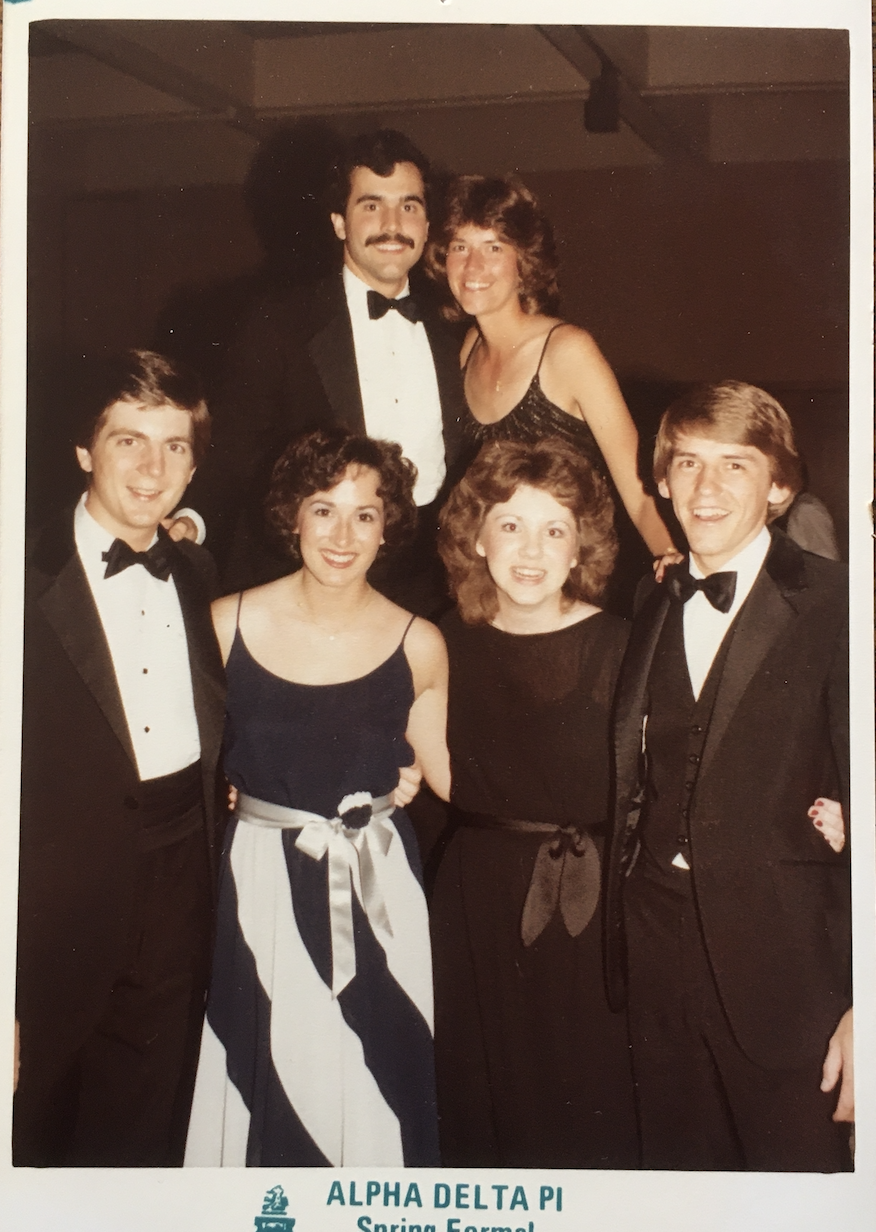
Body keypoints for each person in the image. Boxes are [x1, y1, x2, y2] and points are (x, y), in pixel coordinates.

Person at [183, 428, 450, 1167]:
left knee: (378, 1085)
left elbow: (453, 776)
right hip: (259, 885)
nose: (342, 535)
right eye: (323, 510)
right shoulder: (227, 622)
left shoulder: (420, 641)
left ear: (387, 527)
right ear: (292, 516)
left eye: (365, 515)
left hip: (378, 887)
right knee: (264, 1077)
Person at [605, 380, 852, 1173]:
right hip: (655, 947)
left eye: (735, 465)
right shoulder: (651, 596)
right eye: (687, 462)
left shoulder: (840, 605)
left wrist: (866, 1004)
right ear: (662, 480)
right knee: (682, 1201)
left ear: (778, 487)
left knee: (798, 1201)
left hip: (791, 974)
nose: (706, 487)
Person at [15, 350, 226, 1167]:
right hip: (50, 902)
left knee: (139, 1131)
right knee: (31, 1127)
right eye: (128, 441)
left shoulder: (196, 570)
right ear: (83, 450)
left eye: (174, 447)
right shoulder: (19, 578)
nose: (152, 468)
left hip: (178, 877)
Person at [429, 437, 639, 1169]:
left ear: (580, 548)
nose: (530, 549)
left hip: (594, 899)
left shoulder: (626, 645)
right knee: (481, 1103)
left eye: (555, 530)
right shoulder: (438, 640)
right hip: (475, 903)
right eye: (510, 524)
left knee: (589, 1103)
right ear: (476, 537)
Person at [187, 128, 465, 613]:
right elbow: (232, 446)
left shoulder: (456, 330)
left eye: (409, 206)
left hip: (430, 590)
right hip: (307, 583)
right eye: (371, 205)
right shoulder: (280, 322)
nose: (393, 224)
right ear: (339, 222)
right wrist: (193, 518)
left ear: (426, 225)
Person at [425, 174, 678, 569]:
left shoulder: (568, 351)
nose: (473, 265)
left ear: (524, 264)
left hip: (570, 573)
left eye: (494, 247)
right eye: (460, 246)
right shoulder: (469, 347)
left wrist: (672, 562)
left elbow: (640, 492)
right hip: (500, 574)